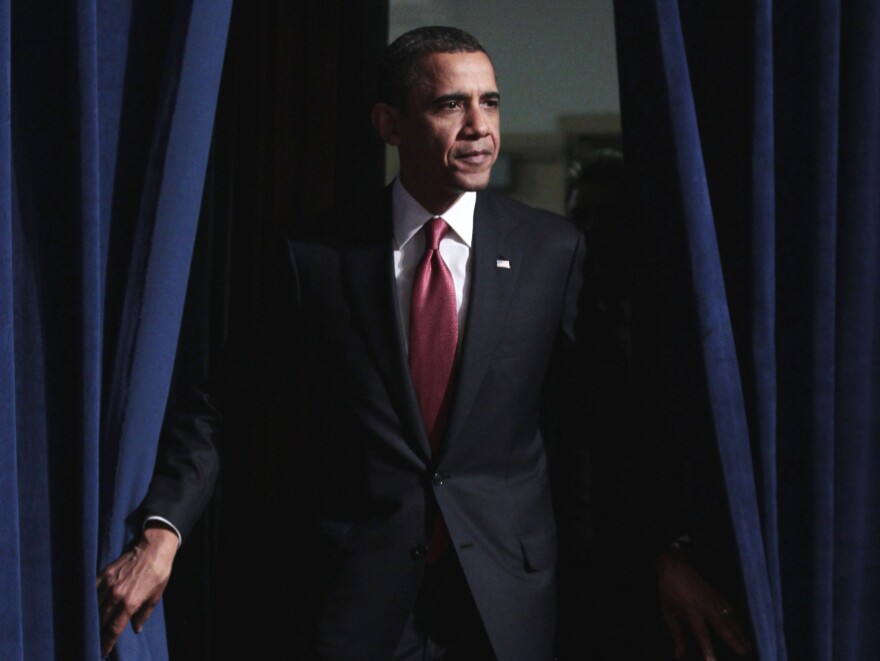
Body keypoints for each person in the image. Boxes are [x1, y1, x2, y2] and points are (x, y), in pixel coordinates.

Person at [98, 26, 592, 660]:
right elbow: (223, 402)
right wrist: (162, 531)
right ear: (390, 124)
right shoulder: (316, 258)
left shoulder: (553, 251)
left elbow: (601, 416)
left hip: (503, 601)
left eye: (489, 102)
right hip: (355, 598)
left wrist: (670, 550)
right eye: (451, 105)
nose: (479, 127)